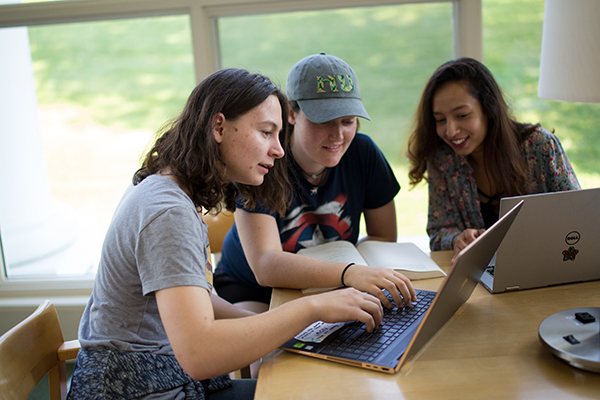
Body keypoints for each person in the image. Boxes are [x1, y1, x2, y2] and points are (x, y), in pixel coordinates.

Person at [67, 68, 385, 400]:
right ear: (219, 127)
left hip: (160, 378)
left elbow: (200, 301)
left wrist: (288, 326)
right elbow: (200, 355)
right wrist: (312, 309)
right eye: (266, 132)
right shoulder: (168, 212)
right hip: (137, 389)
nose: (278, 150)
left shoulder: (168, 189)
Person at [214, 52, 417, 314]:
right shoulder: (263, 160)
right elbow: (266, 265)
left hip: (331, 283)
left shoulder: (363, 153)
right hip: (251, 288)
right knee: (271, 353)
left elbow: (384, 237)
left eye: (348, 121)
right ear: (291, 113)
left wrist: (353, 272)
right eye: (323, 121)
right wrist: (348, 272)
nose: (338, 135)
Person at [407, 57, 580, 260]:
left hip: (548, 264)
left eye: (462, 115)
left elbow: (579, 217)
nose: (450, 131)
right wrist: (457, 239)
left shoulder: (541, 146)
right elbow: (438, 232)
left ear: (488, 110)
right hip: (479, 282)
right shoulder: (443, 159)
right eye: (440, 120)